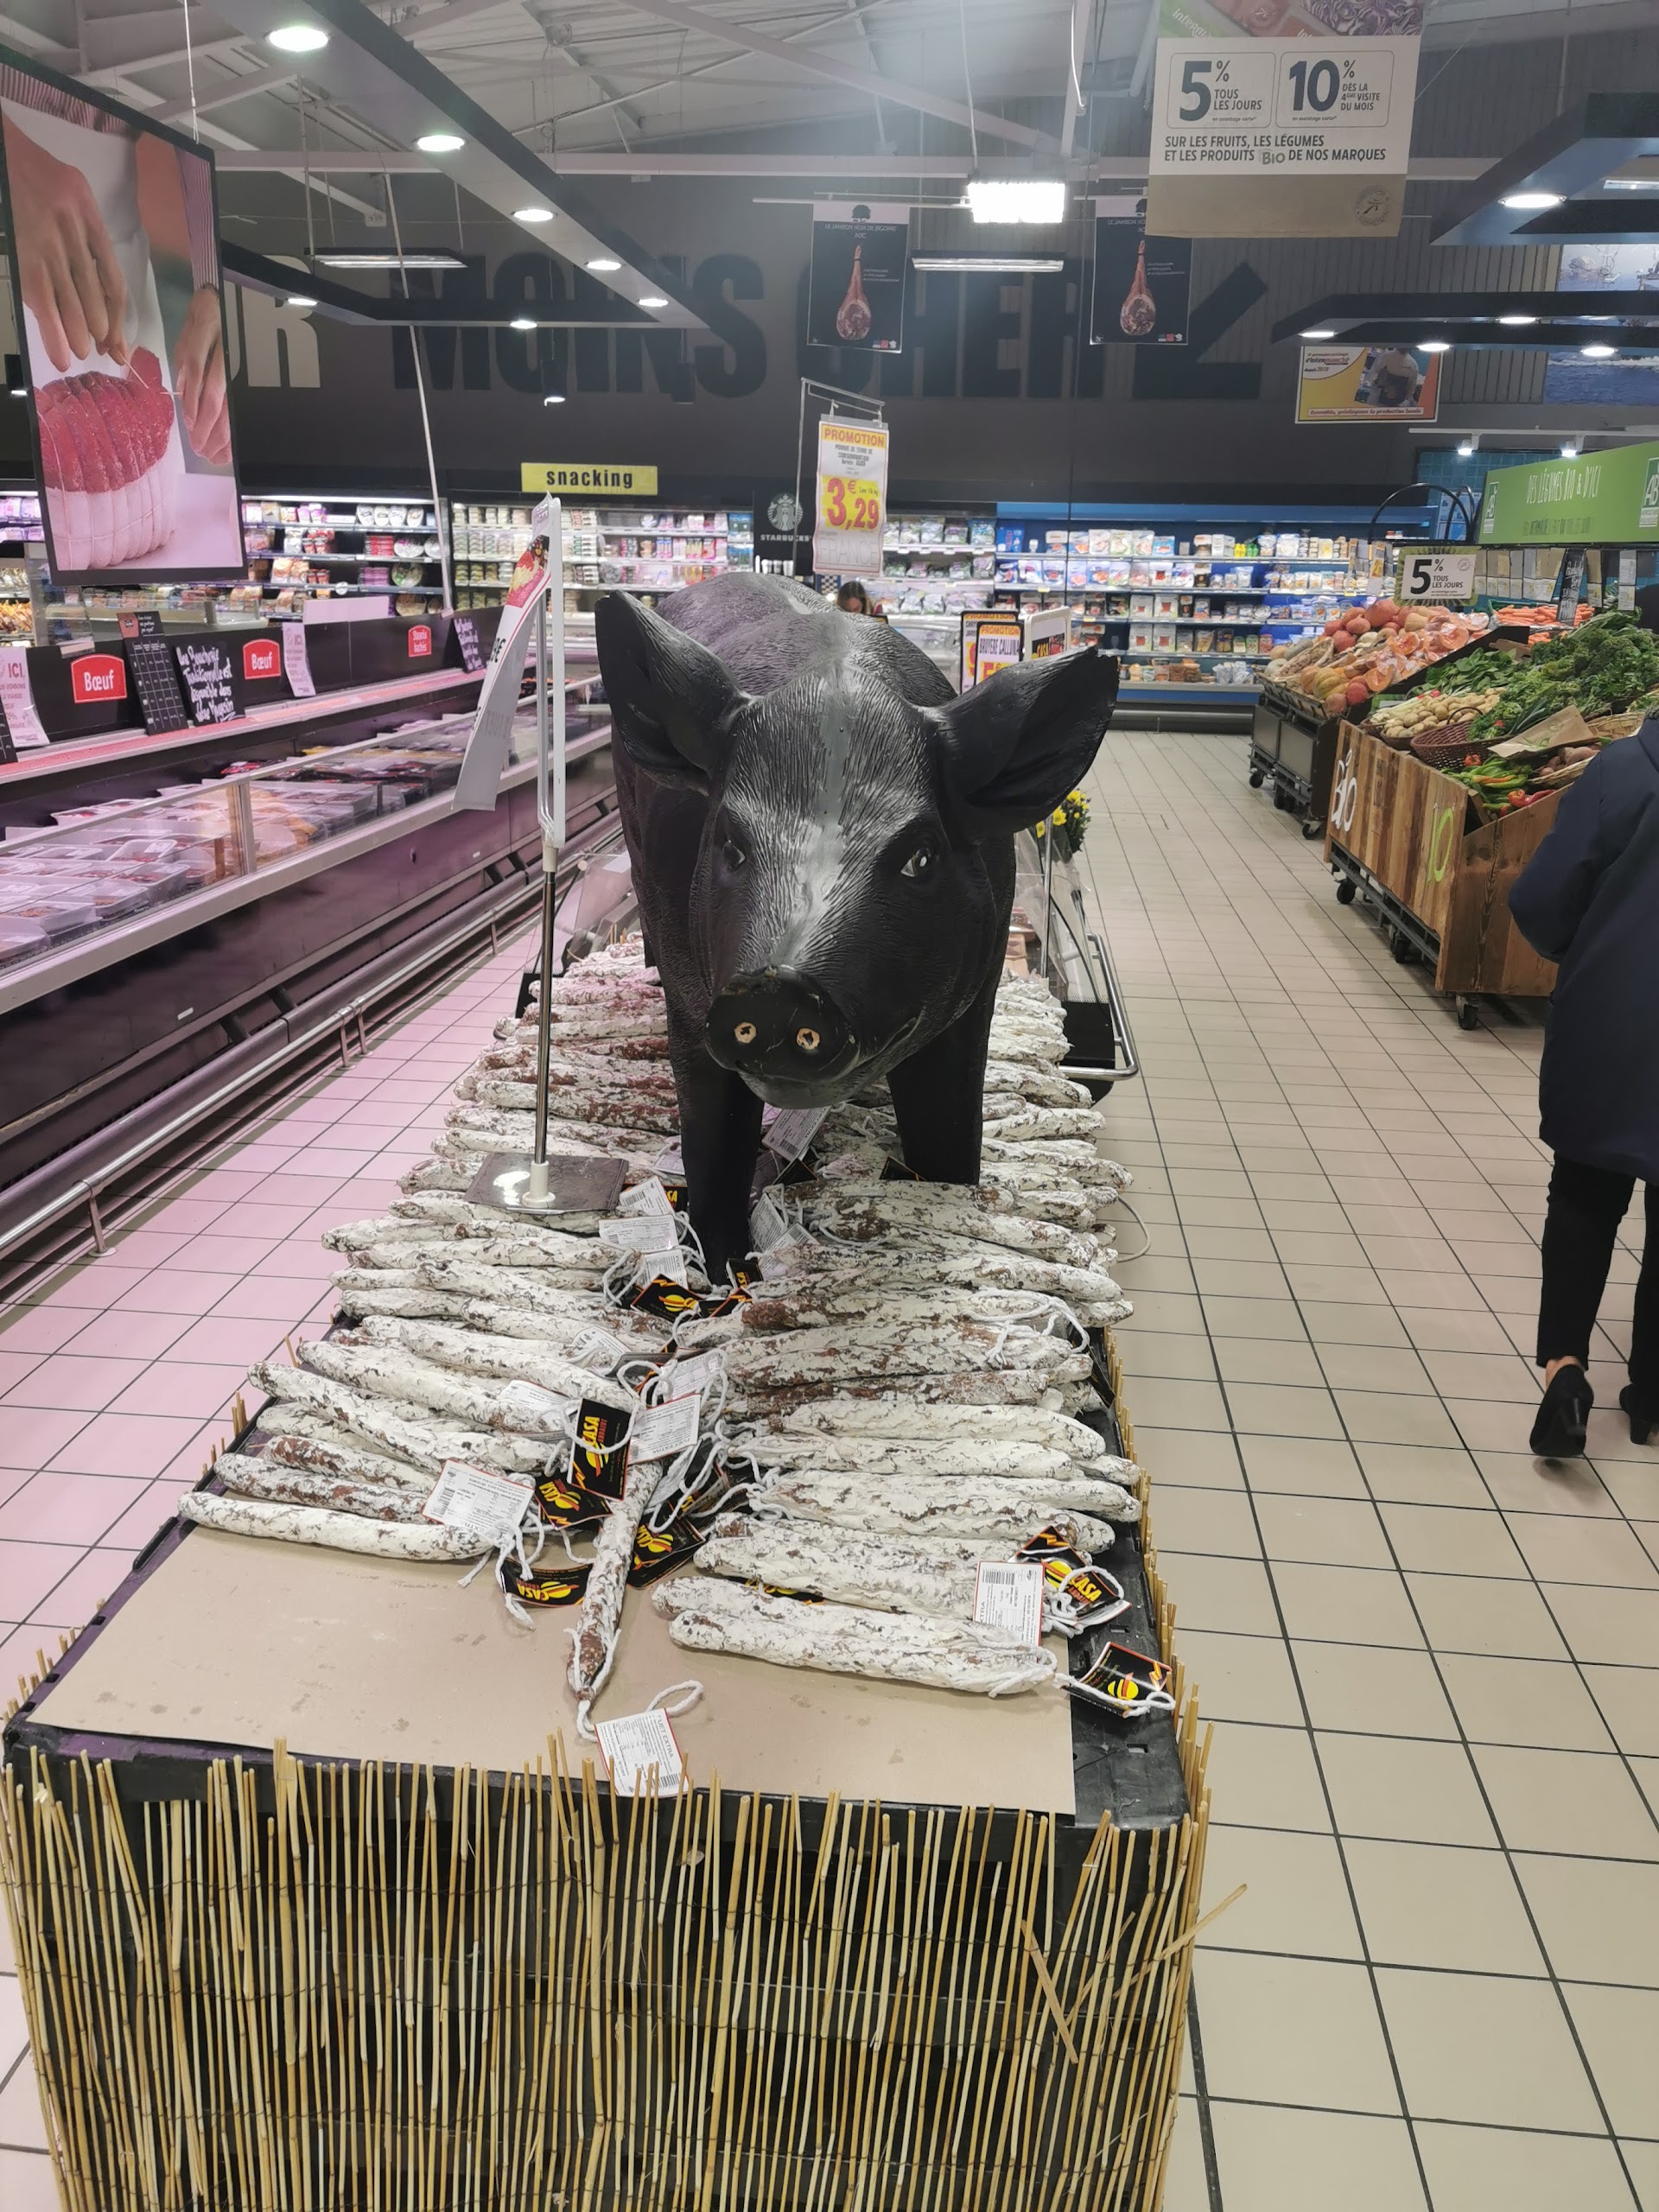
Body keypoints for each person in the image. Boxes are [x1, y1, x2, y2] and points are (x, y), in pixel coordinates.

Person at [1509, 717, 1659, 1457]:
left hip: (1614, 1018)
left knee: (1583, 1199)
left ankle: (1565, 1369)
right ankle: (1654, 1392)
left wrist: (1585, 946)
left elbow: (1542, 899)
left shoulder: (1622, 771)